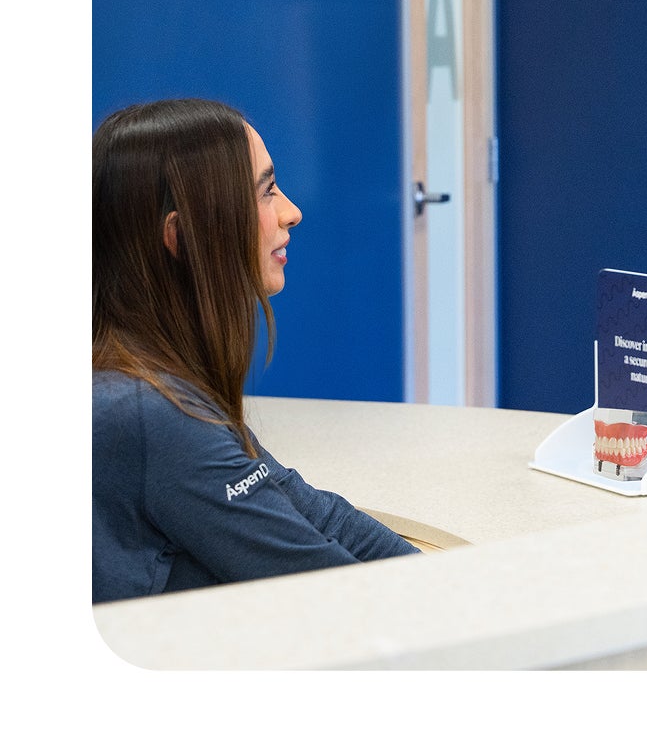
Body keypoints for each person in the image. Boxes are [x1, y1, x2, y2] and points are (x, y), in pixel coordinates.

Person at [93, 97, 419, 604]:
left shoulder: (154, 379)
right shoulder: (147, 414)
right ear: (181, 236)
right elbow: (334, 592)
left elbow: (309, 510)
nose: (292, 212)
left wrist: (450, 584)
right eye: (265, 192)